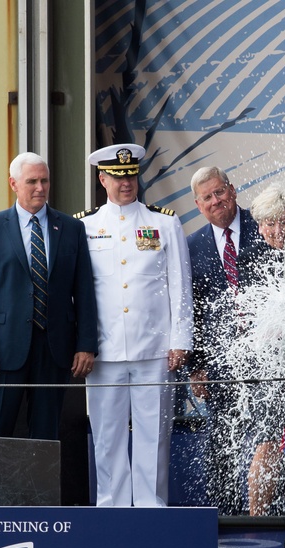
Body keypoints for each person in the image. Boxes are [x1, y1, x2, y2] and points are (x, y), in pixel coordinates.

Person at [77, 143, 193, 507]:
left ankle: (150, 509)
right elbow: (78, 293)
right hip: (105, 351)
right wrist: (82, 344)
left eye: (130, 175)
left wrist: (181, 339)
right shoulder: (84, 225)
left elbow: (180, 283)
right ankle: (110, 509)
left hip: (154, 348)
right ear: (102, 178)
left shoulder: (164, 222)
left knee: (153, 435)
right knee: (107, 436)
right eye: (117, 176)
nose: (126, 183)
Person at [0, 152, 97, 440]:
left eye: (44, 181)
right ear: (13, 184)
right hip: (2, 351)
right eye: (32, 182)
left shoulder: (72, 228)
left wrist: (86, 344)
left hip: (54, 350)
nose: (40, 188)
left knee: (45, 436)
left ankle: (39, 489)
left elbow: (84, 291)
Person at [186, 166, 278, 514]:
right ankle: (224, 519)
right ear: (198, 205)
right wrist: (196, 366)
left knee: (270, 441)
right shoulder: (191, 246)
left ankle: (271, 518)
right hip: (220, 364)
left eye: (219, 192)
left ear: (233, 190)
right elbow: (192, 309)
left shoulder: (266, 225)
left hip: (268, 359)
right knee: (221, 442)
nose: (216, 201)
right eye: (207, 197)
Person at [245, 186, 285, 515]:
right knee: (268, 445)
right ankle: (257, 522)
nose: (278, 231)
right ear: (259, 224)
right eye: (270, 223)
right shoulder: (251, 257)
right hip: (270, 369)